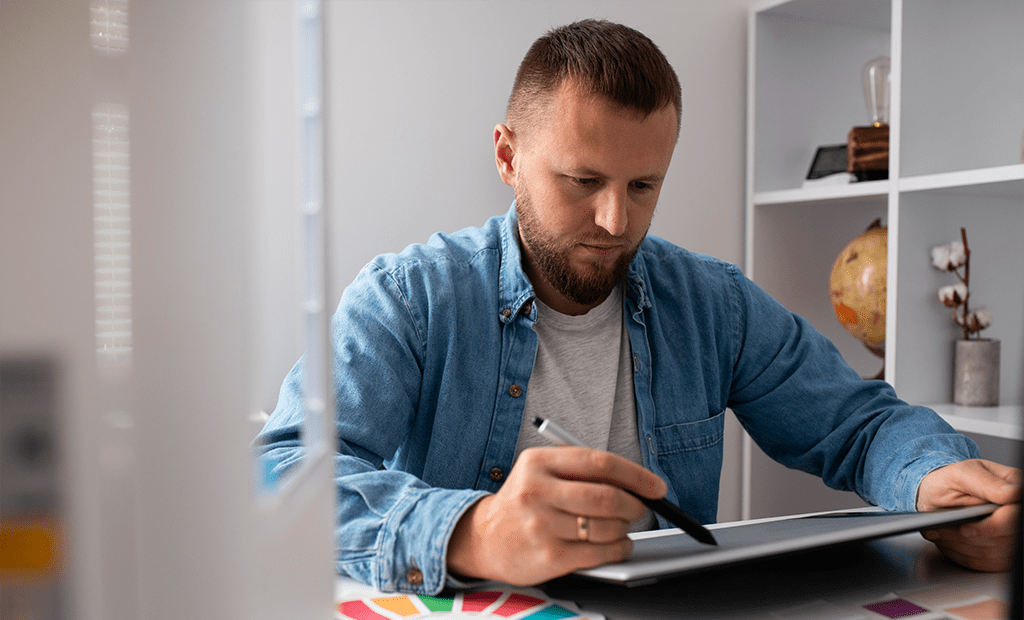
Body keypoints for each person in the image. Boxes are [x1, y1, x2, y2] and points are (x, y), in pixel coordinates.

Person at [258, 19, 1021, 594]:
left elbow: (860, 424)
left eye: (643, 186)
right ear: (506, 157)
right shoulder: (410, 297)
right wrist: (469, 530)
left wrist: (935, 486)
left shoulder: (712, 305)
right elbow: (283, 470)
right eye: (583, 182)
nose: (616, 222)